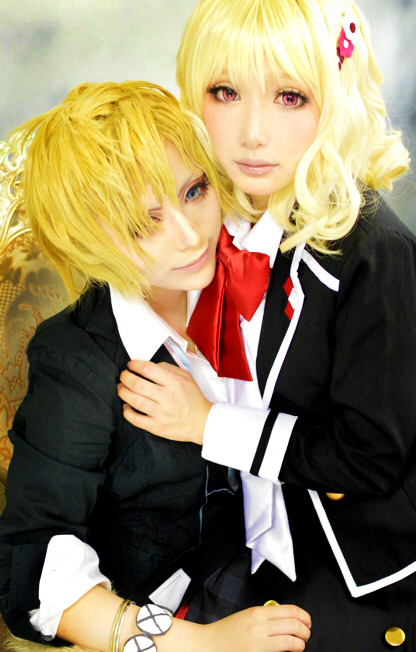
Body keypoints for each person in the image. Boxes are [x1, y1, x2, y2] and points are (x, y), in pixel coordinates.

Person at [117, 0, 416, 650]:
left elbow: (367, 459)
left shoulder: (377, 251)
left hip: (381, 559)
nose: (252, 132)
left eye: (289, 97)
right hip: (250, 535)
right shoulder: (196, 227)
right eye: (225, 92)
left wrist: (207, 423)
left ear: (336, 101)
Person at [0, 81, 311, 652]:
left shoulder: (259, 269)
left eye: (194, 190)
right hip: (176, 616)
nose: (191, 235)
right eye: (144, 223)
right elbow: (41, 576)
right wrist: (203, 644)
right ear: (87, 237)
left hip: (306, 551)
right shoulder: (76, 357)